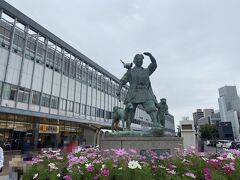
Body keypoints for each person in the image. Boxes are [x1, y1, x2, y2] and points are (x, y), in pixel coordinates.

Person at [117, 52, 162, 130]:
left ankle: (156, 124)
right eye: (138, 59)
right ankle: (128, 128)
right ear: (134, 61)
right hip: (133, 93)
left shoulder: (146, 71)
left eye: (141, 59)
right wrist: (118, 90)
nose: (140, 61)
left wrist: (150, 56)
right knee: (130, 112)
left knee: (151, 107)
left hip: (145, 93)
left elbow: (154, 64)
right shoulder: (130, 71)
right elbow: (122, 81)